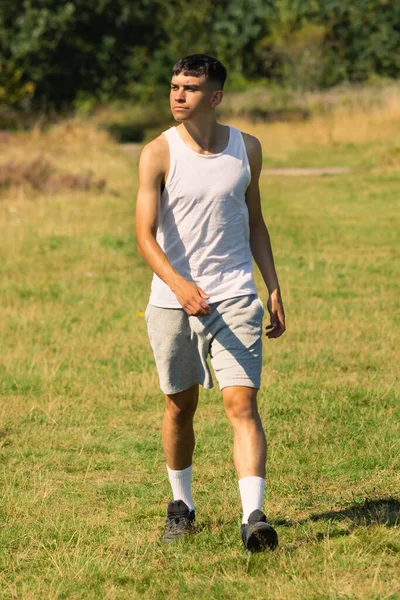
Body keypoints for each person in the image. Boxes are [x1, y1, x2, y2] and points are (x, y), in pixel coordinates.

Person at [135, 54, 285, 552]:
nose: (178, 95)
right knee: (180, 406)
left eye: (190, 88)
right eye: (174, 85)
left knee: (241, 402)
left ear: (215, 97)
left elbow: (256, 220)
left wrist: (273, 284)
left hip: (236, 295)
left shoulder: (248, 149)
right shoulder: (158, 152)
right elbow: (142, 235)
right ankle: (182, 506)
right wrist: (179, 286)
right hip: (172, 301)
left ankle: (253, 517)